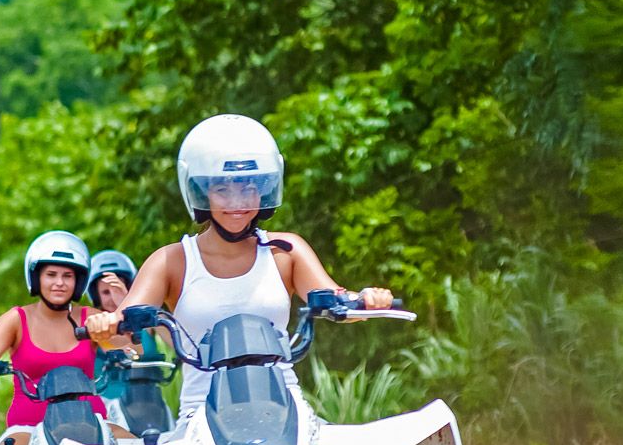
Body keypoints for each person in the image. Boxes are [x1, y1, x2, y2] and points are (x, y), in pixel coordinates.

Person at [84, 114, 394, 417]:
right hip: (202, 417)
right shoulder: (170, 261)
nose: (238, 201)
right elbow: (125, 325)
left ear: (265, 190)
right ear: (201, 192)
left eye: (249, 188)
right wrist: (105, 328)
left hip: (286, 409)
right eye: (223, 189)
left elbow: (335, 298)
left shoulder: (287, 251)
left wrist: (366, 299)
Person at [0, 231, 106, 445]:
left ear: (79, 281)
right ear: (36, 278)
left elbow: (133, 352)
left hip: (92, 423)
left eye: (68, 276)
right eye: (51, 274)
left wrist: (120, 314)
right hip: (28, 429)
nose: (59, 283)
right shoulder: (16, 319)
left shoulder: (91, 318)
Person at [86, 249, 167, 406]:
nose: (112, 297)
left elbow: (175, 334)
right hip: (108, 408)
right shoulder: (93, 325)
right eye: (105, 292)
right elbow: (127, 350)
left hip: (151, 404)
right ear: (96, 296)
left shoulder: (147, 322)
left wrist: (130, 303)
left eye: (117, 289)